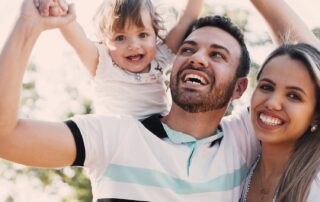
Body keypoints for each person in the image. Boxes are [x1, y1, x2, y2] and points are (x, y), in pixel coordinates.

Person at [0, 0, 316, 201]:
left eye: (216, 54)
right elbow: (6, 137)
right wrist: (26, 26)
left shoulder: (243, 138)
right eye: (188, 49)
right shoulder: (114, 136)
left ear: (239, 89)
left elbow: (311, 68)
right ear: (172, 68)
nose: (198, 58)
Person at [34, 0, 203, 120]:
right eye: (121, 38)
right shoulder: (103, 62)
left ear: (155, 35)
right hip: (115, 137)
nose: (134, 45)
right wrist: (59, 11)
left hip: (155, 138)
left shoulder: (159, 56)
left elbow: (187, 18)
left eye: (143, 35)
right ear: (105, 43)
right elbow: (75, 36)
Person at [240, 43, 320, 202]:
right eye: (267, 87)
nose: (272, 103)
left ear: (316, 116)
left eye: (293, 96)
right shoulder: (238, 158)